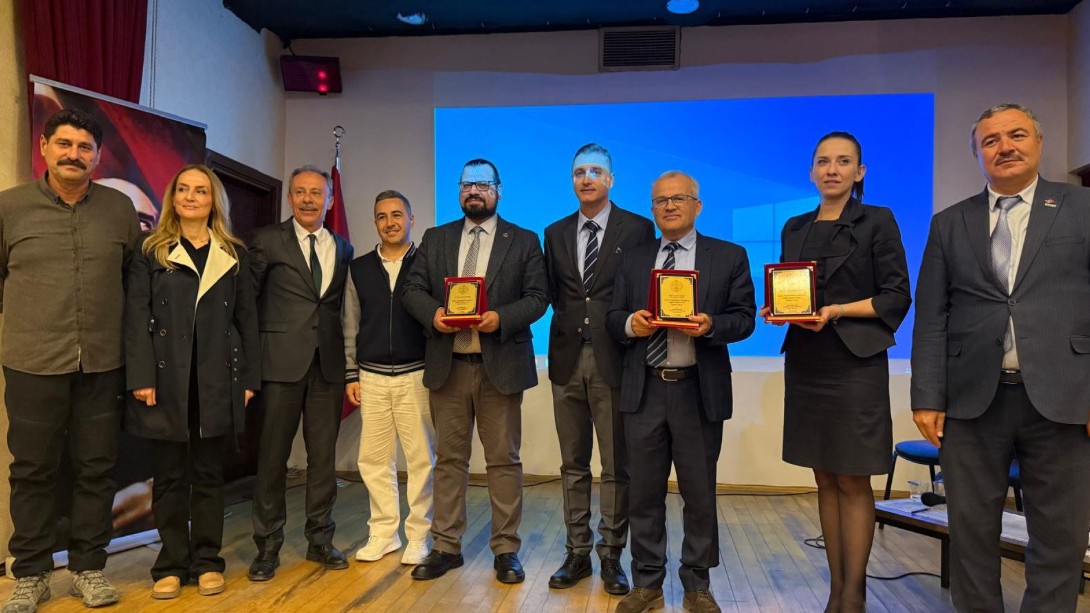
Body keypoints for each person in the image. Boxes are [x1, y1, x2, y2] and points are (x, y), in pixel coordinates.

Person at [911, 103, 1090, 612]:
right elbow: (932, 316)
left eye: (1016, 135)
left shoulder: (1083, 209)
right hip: (971, 404)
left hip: (1066, 399)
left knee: (1059, 538)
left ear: (1038, 143)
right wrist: (927, 395)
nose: (1004, 146)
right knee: (970, 535)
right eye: (990, 140)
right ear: (977, 153)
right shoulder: (950, 223)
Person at [761, 132, 910, 613]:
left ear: (859, 172)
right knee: (824, 477)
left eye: (844, 161)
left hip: (855, 364)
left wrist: (838, 309)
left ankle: (854, 593)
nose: (832, 169)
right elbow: (792, 290)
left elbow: (896, 296)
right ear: (811, 171)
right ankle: (834, 589)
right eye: (823, 161)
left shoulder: (877, 221)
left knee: (853, 479)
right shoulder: (794, 226)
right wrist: (776, 309)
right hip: (807, 359)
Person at [0, 109, 141, 613]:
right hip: (32, 363)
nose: (73, 154)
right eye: (64, 144)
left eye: (84, 147)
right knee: (33, 470)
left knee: (96, 469)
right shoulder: (9, 208)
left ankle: (88, 568)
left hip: (103, 365)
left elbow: (133, 282)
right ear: (44, 147)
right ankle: (32, 575)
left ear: (98, 156)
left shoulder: (119, 209)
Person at [606, 171, 755, 613]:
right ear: (652, 209)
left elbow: (744, 318)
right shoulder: (633, 259)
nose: (669, 206)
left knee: (699, 492)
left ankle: (697, 585)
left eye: (679, 198)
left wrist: (712, 325)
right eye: (660, 201)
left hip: (697, 391)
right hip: (645, 389)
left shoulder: (727, 256)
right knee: (644, 493)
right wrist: (632, 324)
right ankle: (647, 583)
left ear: (697, 205)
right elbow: (613, 317)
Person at [402, 158, 549, 584]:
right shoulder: (436, 237)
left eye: (483, 184)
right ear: (459, 190)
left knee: (503, 460)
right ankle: (446, 546)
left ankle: (505, 549)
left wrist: (499, 318)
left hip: (499, 365)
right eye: (467, 184)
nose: (474, 191)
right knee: (449, 460)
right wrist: (435, 315)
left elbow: (538, 297)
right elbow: (413, 290)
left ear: (498, 191)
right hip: (449, 365)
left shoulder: (522, 240)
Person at [124, 164, 260, 599]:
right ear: (173, 197)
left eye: (200, 190)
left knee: (207, 475)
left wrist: (249, 378)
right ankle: (170, 565)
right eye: (182, 189)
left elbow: (246, 322)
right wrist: (141, 375)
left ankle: (206, 561)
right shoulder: (152, 251)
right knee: (167, 478)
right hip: (167, 381)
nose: (190, 196)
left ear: (213, 200)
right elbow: (135, 320)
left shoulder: (234, 253)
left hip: (217, 381)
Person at [542, 143, 654, 594]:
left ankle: (611, 556)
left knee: (615, 465)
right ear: (572, 180)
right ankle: (577, 553)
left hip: (617, 356)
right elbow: (554, 292)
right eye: (579, 172)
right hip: (566, 358)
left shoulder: (639, 228)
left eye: (595, 172)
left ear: (611, 179)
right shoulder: (553, 232)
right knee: (572, 463)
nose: (586, 179)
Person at [248, 165, 354, 580]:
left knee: (323, 460)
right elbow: (248, 304)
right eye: (300, 192)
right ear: (290, 198)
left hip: (326, 368)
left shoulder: (343, 247)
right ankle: (267, 546)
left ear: (330, 200)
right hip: (278, 365)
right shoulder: (265, 240)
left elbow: (340, 308)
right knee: (273, 459)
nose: (309, 199)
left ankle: (320, 540)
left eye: (317, 193)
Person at [342, 190, 436, 565]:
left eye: (398, 214)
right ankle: (383, 534)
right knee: (373, 460)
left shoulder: (429, 265)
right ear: (375, 222)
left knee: (421, 461)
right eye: (382, 216)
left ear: (411, 219)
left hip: (418, 376)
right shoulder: (359, 268)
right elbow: (350, 324)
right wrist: (352, 372)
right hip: (372, 377)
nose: (390, 222)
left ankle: (418, 536)